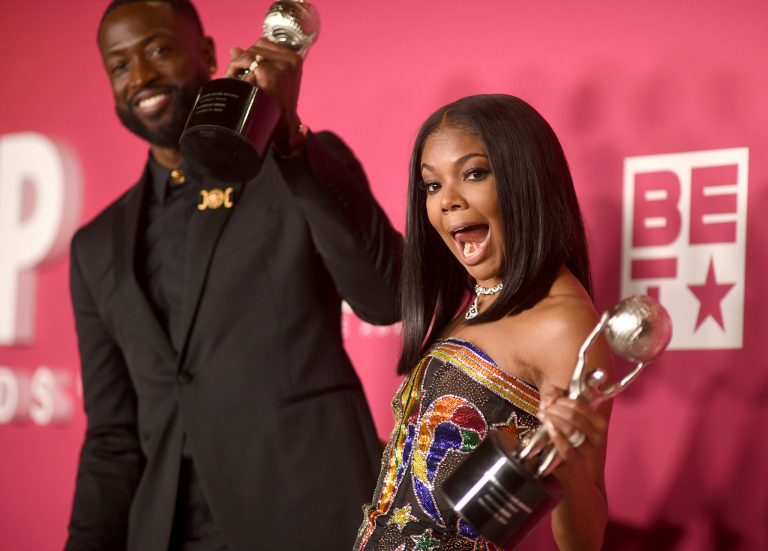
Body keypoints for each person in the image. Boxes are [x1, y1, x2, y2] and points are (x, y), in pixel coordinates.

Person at [65, 1, 402, 550]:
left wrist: (290, 139)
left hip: (307, 517)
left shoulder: (296, 167)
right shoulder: (95, 245)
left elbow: (385, 298)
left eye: (157, 49)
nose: (141, 76)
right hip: (166, 533)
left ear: (207, 54)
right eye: (119, 65)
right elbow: (113, 435)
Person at [354, 94, 613, 550]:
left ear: (526, 180)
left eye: (474, 174)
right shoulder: (478, 300)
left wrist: (567, 461)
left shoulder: (563, 322)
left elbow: (585, 540)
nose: (448, 201)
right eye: (432, 185)